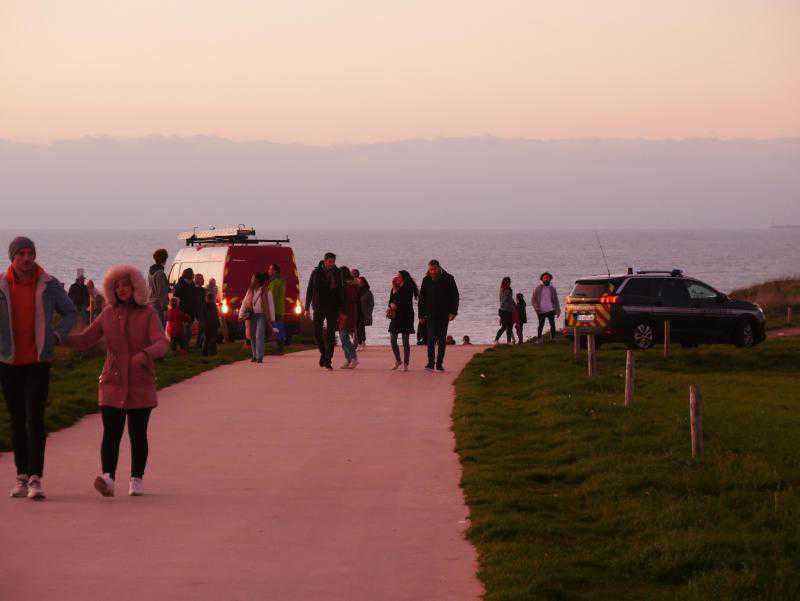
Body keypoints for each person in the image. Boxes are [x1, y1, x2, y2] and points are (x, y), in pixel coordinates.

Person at [64, 264, 168, 497]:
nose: (122, 290)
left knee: (137, 434)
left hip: (140, 382)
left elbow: (162, 342)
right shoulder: (107, 314)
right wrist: (59, 339)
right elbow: (85, 340)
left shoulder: (148, 314)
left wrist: (145, 354)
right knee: (111, 433)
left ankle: (136, 478)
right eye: (117, 286)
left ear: (135, 286)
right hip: (112, 381)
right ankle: (108, 478)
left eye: (126, 285)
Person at [1, 237, 76, 500]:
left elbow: (70, 312)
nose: (26, 258)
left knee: (35, 418)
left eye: (29, 253)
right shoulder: (2, 285)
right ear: (12, 257)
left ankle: (35, 478)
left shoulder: (48, 284)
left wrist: (56, 336)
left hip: (38, 362)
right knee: (17, 420)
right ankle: (21, 476)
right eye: (20, 253)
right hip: (8, 363)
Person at [418, 259, 459, 372]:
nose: (432, 271)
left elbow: (455, 296)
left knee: (441, 340)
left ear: (439, 268)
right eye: (430, 269)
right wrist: (421, 315)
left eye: (434, 269)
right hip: (430, 315)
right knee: (430, 339)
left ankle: (439, 364)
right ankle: (431, 363)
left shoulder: (448, 278)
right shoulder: (426, 280)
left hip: (444, 315)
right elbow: (421, 299)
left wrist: (453, 312)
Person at [305, 253, 344, 370]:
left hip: (333, 307)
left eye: (333, 262)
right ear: (325, 261)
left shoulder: (337, 273)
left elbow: (341, 291)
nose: (332, 264)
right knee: (317, 333)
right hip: (318, 306)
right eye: (330, 262)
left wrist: (343, 309)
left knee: (331, 334)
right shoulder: (316, 273)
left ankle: (328, 359)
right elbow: (310, 289)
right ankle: (324, 353)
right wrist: (306, 307)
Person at [239, 273, 274, 363]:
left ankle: (259, 357)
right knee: (252, 335)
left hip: (262, 315)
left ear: (258, 280)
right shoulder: (250, 291)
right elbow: (244, 302)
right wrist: (240, 314)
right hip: (252, 315)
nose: (251, 280)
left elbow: (271, 305)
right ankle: (254, 355)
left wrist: (272, 318)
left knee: (259, 335)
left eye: (253, 278)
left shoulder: (266, 291)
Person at [388, 270, 417, 371]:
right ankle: (398, 360)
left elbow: (405, 300)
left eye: (399, 276)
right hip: (396, 316)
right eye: (397, 276)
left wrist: (396, 303)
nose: (397, 277)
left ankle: (406, 362)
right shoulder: (395, 288)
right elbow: (390, 301)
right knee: (392, 339)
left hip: (406, 315)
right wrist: (391, 304)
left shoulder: (408, 286)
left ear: (403, 277)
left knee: (405, 341)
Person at [338, 267, 360, 369]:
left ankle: (353, 358)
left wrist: (344, 312)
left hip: (348, 314)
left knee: (344, 336)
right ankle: (348, 359)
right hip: (343, 313)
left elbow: (349, 301)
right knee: (343, 337)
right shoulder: (344, 285)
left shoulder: (349, 286)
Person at [532, 272, 561, 342]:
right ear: (542, 279)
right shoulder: (538, 288)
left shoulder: (552, 289)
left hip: (551, 309)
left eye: (547, 278)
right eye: (544, 278)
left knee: (552, 325)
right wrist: (536, 308)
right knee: (541, 325)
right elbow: (533, 299)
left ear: (550, 279)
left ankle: (553, 338)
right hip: (541, 310)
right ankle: (539, 339)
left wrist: (558, 310)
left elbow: (556, 300)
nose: (546, 279)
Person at [173, 268, 196, 346]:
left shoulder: (191, 284)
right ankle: (183, 345)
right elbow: (176, 298)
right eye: (192, 275)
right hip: (183, 310)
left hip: (190, 310)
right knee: (184, 329)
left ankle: (185, 344)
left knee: (188, 329)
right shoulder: (181, 285)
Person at [147, 248, 170, 326]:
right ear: (164, 259)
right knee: (160, 330)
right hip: (158, 306)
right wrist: (165, 309)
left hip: (151, 303)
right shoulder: (160, 273)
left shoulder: (151, 272)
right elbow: (161, 292)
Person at [268, 264, 286, 354]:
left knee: (276, 329)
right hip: (281, 309)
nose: (268, 271)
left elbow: (272, 298)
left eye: (270, 269)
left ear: (274, 271)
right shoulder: (282, 281)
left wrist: (269, 310)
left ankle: (278, 349)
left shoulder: (274, 283)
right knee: (280, 328)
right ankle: (280, 348)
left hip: (275, 310)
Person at [494, 277, 515, 344]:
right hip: (504, 311)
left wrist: (513, 306)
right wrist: (510, 307)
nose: (509, 283)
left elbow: (510, 299)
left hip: (509, 311)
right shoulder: (504, 290)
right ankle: (496, 339)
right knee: (504, 326)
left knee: (509, 327)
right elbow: (503, 301)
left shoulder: (509, 289)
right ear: (504, 282)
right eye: (507, 282)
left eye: (509, 281)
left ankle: (508, 341)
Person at [357, 276, 374, 350]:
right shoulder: (356, 290)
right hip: (356, 311)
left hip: (363, 312)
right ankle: (360, 343)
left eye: (359, 282)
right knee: (358, 328)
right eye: (357, 282)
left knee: (360, 327)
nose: (358, 283)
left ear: (363, 283)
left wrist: (369, 313)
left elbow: (371, 303)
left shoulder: (368, 292)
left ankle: (361, 343)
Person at [200, 291, 220, 356]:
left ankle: (211, 352)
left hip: (212, 325)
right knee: (208, 339)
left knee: (211, 339)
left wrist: (218, 323)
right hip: (208, 325)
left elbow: (216, 315)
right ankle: (206, 352)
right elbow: (203, 317)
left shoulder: (212, 306)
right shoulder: (205, 306)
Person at [192, 273, 206, 349]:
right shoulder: (196, 290)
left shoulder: (203, 290)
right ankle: (199, 343)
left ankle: (199, 343)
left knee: (201, 328)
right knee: (201, 327)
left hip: (201, 311)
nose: (203, 280)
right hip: (198, 311)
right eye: (202, 279)